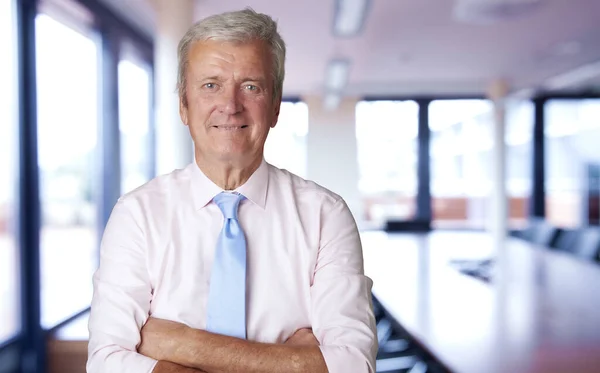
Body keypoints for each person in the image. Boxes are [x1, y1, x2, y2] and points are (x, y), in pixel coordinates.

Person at [87, 7, 377, 373]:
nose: (230, 105)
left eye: (251, 87)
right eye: (211, 85)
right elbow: (105, 362)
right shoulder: (137, 215)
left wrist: (182, 344)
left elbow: (352, 365)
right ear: (183, 105)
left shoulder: (325, 215)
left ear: (274, 107)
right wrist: (294, 362)